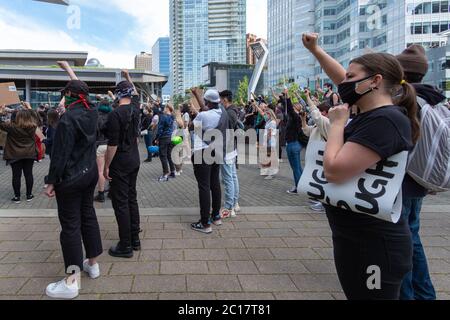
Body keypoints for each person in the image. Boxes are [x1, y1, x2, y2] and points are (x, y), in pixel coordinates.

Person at [303, 33, 419, 300]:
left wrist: (336, 124)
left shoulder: (385, 121)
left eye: (351, 78)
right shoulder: (371, 112)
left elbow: (333, 170)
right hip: (356, 238)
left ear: (375, 81)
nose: (343, 83)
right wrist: (316, 50)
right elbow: (341, 77)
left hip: (375, 246)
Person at [44, 61, 102, 299]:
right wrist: (69, 72)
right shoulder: (93, 112)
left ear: (69, 96)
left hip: (70, 178)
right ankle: (93, 265)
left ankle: (71, 281)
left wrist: (51, 181)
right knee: (88, 216)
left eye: (65, 95)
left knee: (70, 226)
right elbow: (81, 92)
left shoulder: (67, 120)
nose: (63, 99)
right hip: (89, 175)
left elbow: (60, 156)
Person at [396, 45, 440, 300]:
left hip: (401, 181)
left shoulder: (406, 100)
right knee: (413, 238)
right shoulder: (434, 98)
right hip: (419, 180)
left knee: (401, 244)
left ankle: (409, 295)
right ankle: (425, 294)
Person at [104, 70, 142, 258]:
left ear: (118, 95)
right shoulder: (136, 109)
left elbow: (112, 145)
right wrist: (128, 78)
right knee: (131, 198)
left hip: (120, 162)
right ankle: (135, 239)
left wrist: (106, 166)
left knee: (120, 203)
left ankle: (125, 245)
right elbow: (135, 93)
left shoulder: (115, 115)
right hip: (135, 159)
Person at [189, 88, 229, 234]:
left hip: (202, 152)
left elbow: (193, 128)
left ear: (207, 102)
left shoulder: (203, 116)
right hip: (217, 150)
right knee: (215, 184)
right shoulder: (223, 113)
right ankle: (216, 216)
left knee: (204, 186)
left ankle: (205, 223)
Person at [0, 106, 37, 203]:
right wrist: (29, 107)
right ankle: (29, 195)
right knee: (29, 174)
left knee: (16, 176)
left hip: (14, 154)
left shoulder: (11, 127)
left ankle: (17, 197)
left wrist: (1, 111)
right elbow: (36, 116)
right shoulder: (33, 126)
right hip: (29, 153)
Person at [219, 90, 240, 219]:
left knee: (228, 179)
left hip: (227, 149)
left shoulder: (229, 112)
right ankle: (234, 203)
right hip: (230, 148)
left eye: (221, 99)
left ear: (225, 99)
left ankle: (229, 207)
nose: (220, 101)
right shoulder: (233, 111)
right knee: (232, 177)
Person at [283, 89, 304, 194]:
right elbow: (287, 108)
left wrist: (287, 96)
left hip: (293, 144)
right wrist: (284, 97)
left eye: (293, 107)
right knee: (297, 167)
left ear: (296, 108)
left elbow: (289, 108)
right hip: (292, 144)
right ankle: (303, 184)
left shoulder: (296, 117)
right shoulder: (294, 118)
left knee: (295, 168)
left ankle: (298, 187)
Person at [94, 98, 112, 203]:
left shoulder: (96, 117)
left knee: (100, 171)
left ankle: (101, 194)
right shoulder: (112, 117)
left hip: (100, 145)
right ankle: (111, 191)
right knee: (109, 168)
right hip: (110, 146)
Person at [155, 104, 176, 182]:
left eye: (165, 108)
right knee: (169, 155)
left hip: (164, 138)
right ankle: (173, 171)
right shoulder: (172, 117)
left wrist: (157, 138)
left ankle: (165, 174)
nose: (163, 109)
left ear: (167, 108)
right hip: (171, 137)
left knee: (163, 156)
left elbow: (160, 129)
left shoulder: (163, 117)